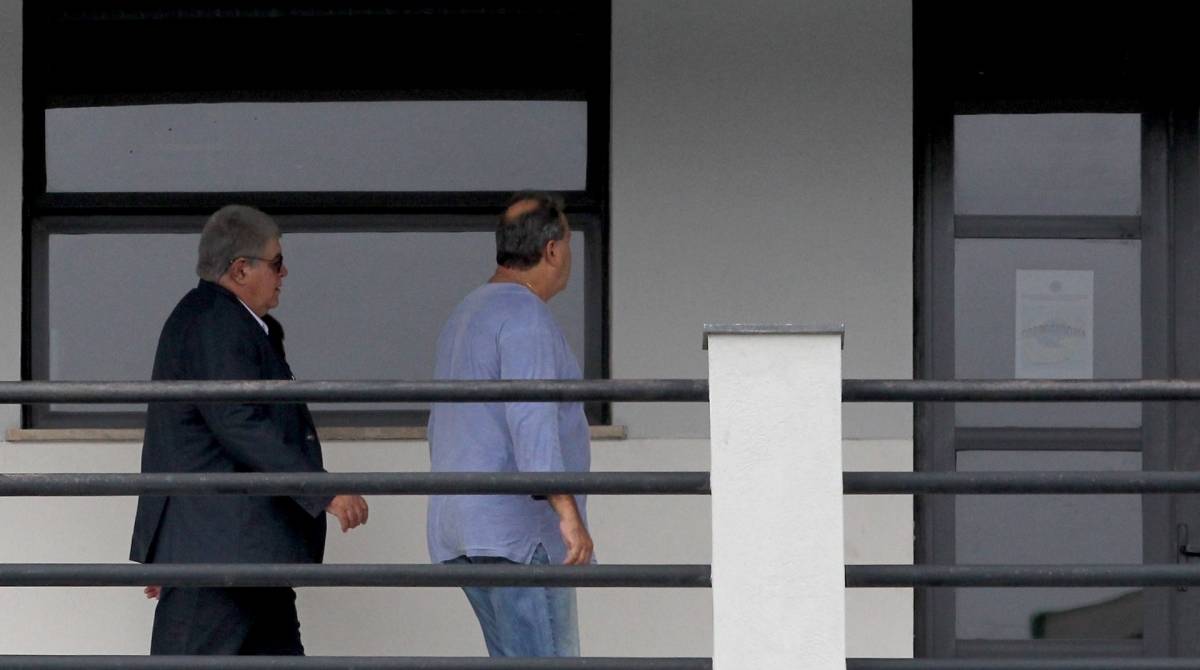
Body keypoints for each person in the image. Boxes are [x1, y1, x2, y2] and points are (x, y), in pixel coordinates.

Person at [129, 204, 369, 656]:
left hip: (238, 549)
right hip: (220, 551)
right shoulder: (215, 322)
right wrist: (322, 491)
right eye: (276, 262)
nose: (284, 274)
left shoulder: (226, 321)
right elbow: (236, 420)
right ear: (241, 270)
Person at [427, 191, 593, 657]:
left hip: (462, 527)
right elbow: (532, 417)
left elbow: (441, 422)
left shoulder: (464, 314)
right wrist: (567, 514)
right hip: (519, 534)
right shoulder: (526, 315)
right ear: (553, 250)